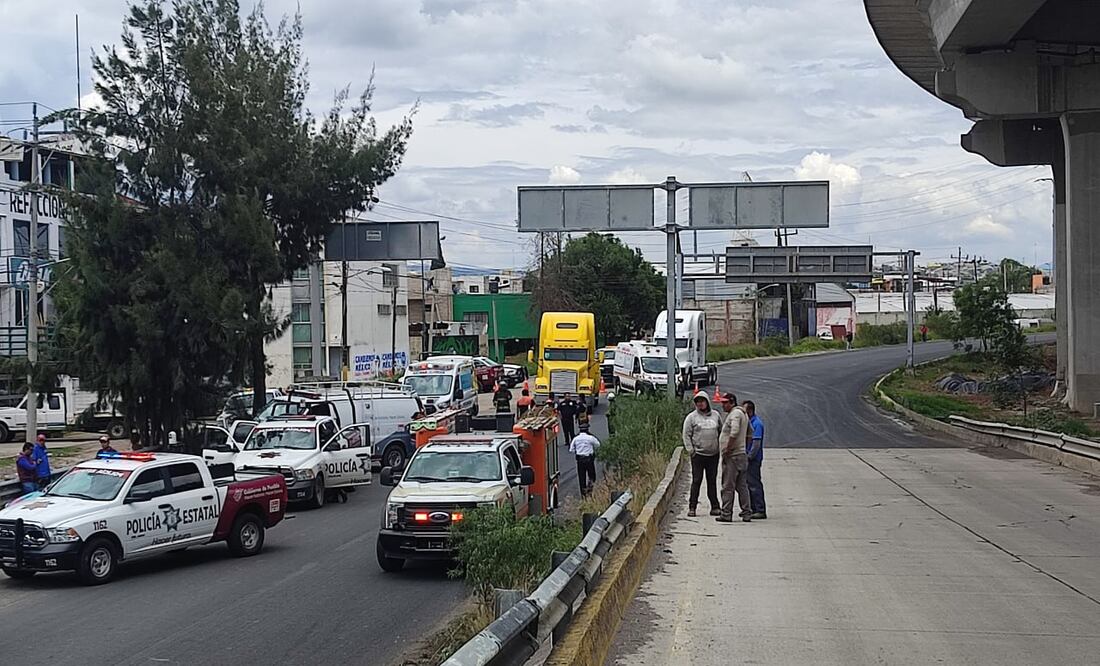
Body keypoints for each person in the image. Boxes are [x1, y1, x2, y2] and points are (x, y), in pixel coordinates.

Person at [682, 393, 723, 517]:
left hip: (713, 455)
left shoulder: (716, 415)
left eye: (702, 401)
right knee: (697, 480)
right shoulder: (691, 418)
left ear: (707, 402)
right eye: (697, 401)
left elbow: (721, 431)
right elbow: (686, 435)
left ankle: (715, 507)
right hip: (698, 455)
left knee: (712, 481)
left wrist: (720, 447)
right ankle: (692, 507)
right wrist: (691, 451)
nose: (700, 404)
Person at [716, 392, 752, 523]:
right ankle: (747, 512)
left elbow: (735, 431)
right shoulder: (744, 414)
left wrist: (728, 448)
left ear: (732, 402)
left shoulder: (735, 414)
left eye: (725, 403)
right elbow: (750, 433)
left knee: (728, 486)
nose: (723, 405)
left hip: (733, 456)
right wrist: (744, 447)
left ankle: (726, 513)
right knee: (742, 486)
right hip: (741, 455)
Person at [743, 400, 766, 519]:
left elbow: (756, 444)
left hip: (753, 460)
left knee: (754, 484)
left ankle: (760, 509)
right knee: (748, 484)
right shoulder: (749, 422)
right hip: (748, 458)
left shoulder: (757, 424)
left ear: (750, 411)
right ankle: (752, 508)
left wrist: (749, 457)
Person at [569, 424, 600, 496]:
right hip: (589, 459)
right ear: (587, 429)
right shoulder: (590, 438)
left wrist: (579, 450)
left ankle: (583, 494)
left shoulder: (576, 439)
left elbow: (571, 450)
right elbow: (598, 445)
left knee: (581, 477)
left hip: (580, 460)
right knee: (592, 476)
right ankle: (590, 490)